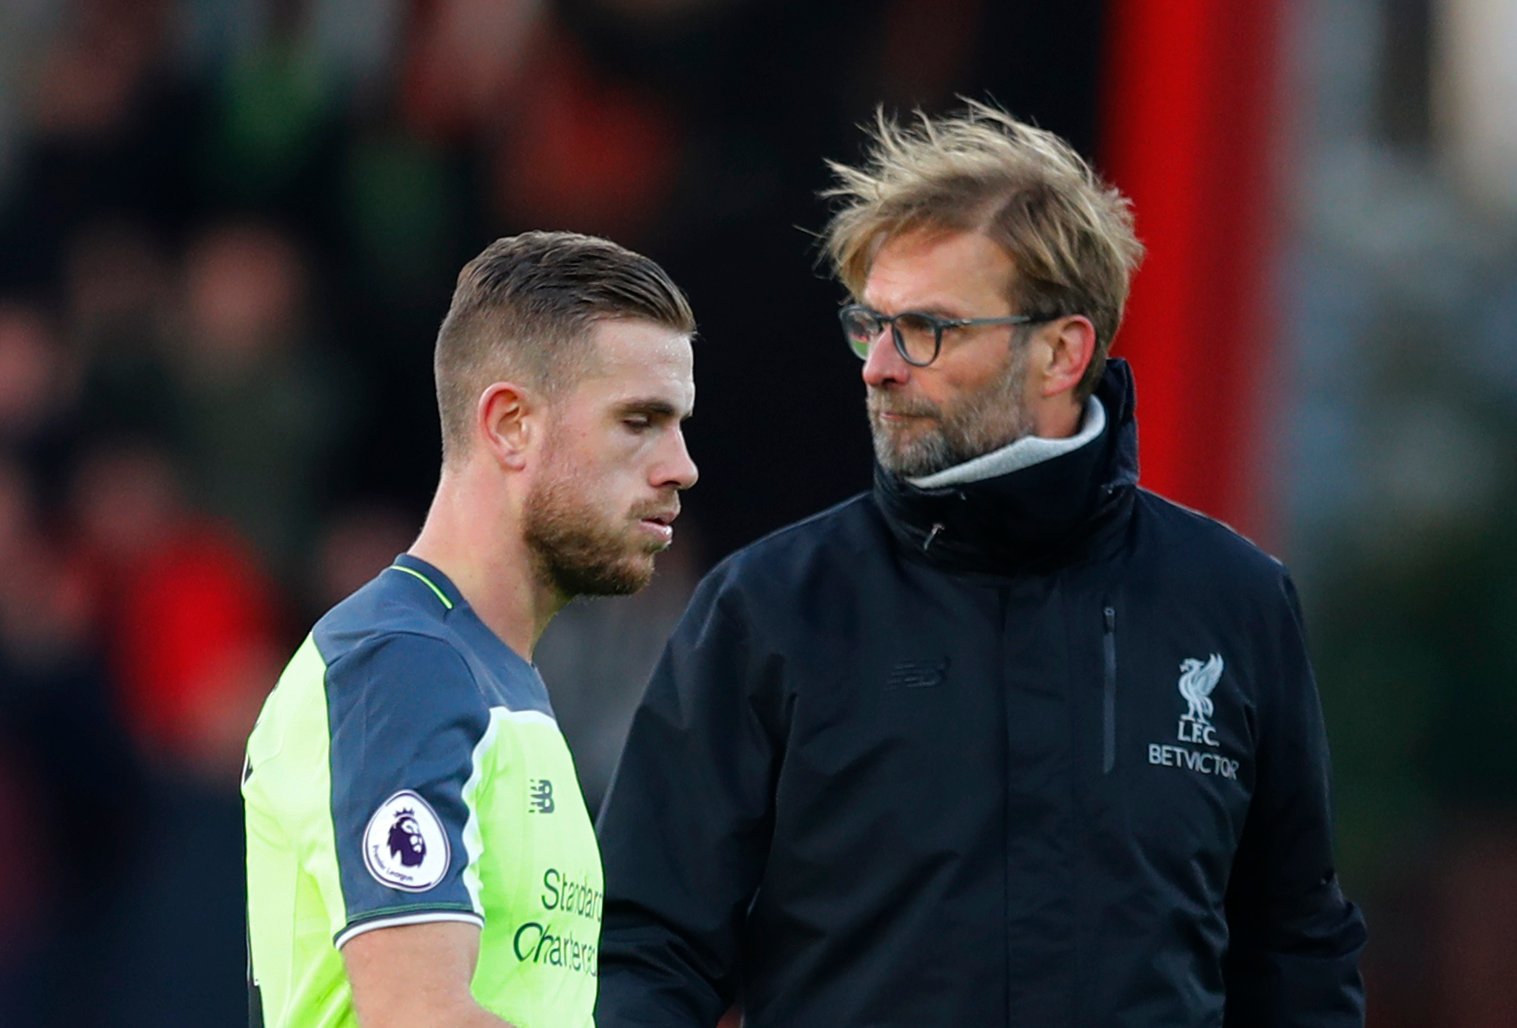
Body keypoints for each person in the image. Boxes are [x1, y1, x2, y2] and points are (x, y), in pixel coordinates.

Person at [595, 103, 1367, 1026]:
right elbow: (645, 953)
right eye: (868, 325)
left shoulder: (1233, 603)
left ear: (1059, 351)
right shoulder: (767, 610)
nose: (878, 366)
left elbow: (1295, 950)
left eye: (926, 328)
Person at [243, 231, 699, 1027]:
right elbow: (419, 1017)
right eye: (639, 421)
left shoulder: (489, 678)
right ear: (509, 424)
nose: (680, 465)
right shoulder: (402, 666)